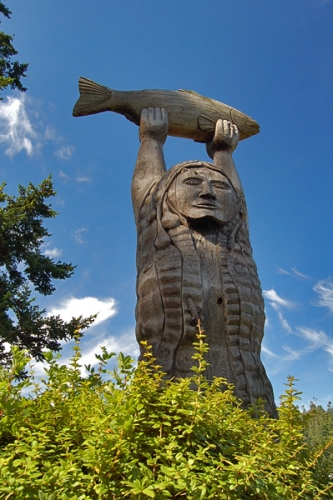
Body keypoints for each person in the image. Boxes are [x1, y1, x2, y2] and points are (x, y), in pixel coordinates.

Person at [132, 107, 277, 416]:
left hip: (248, 393)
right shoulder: (156, 228)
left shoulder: (238, 242)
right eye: (193, 183)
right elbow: (147, 186)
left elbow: (237, 197)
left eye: (218, 186)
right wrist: (151, 140)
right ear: (166, 195)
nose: (208, 192)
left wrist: (223, 153)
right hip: (172, 390)